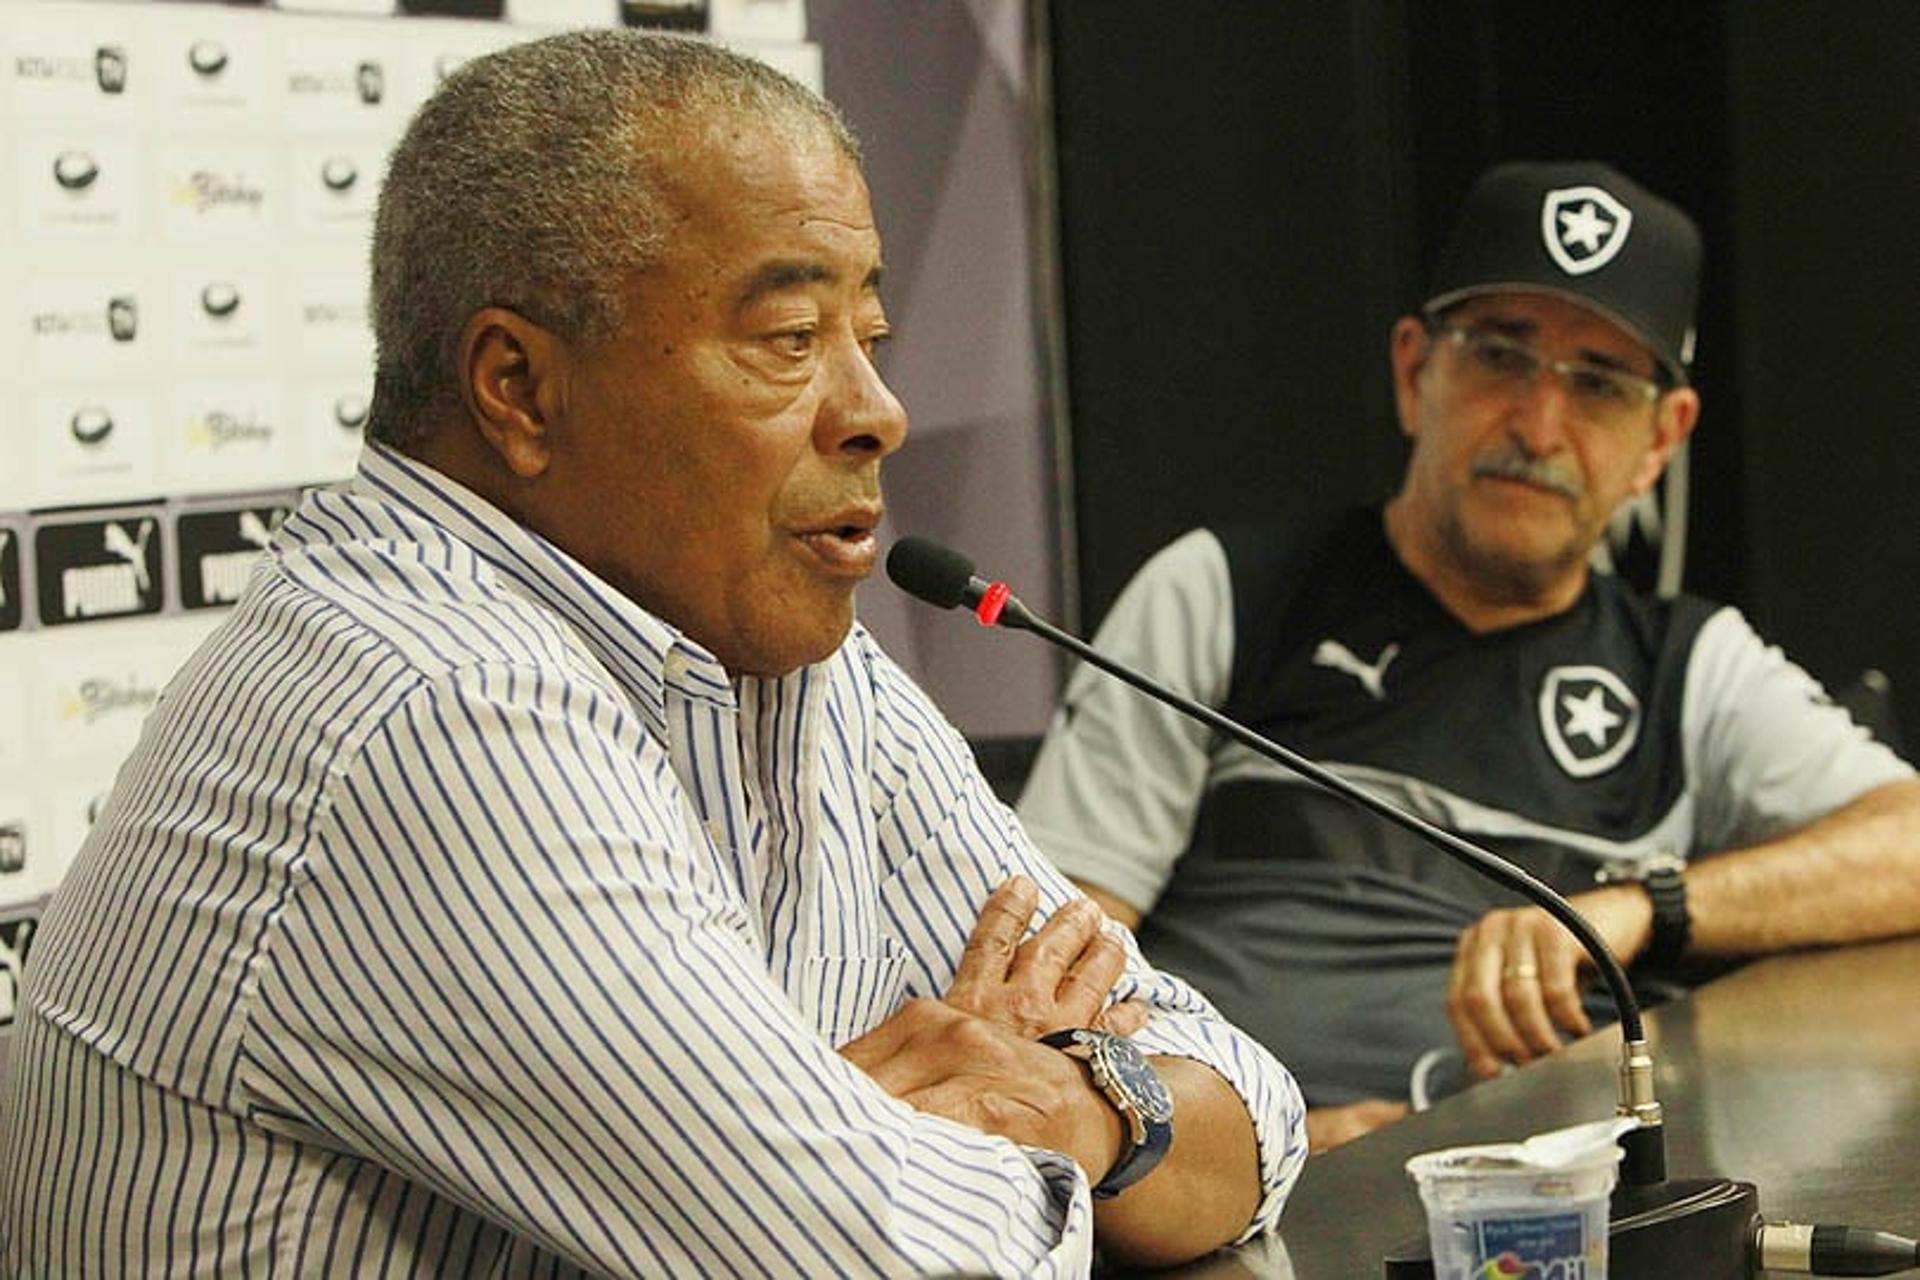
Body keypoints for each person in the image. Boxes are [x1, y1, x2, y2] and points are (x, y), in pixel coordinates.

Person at [0, 30, 1305, 1277]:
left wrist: (1070, 1105)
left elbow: (1251, 1110)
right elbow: (895, 1257)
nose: (881, 414)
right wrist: (955, 1144)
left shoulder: (802, 667)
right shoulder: (437, 702)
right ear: (519, 389)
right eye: (791, 341)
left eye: (874, 339)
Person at [1017, 160, 1920, 1154]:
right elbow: (1053, 971)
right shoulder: (1223, 591)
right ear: (1414, 372)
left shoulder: (1690, 669)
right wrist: (1251, 1152)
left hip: (1545, 1209)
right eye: (1500, 355)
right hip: (1222, 1189)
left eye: (1601, 385)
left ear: (1662, 439)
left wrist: (1643, 906)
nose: (1539, 426)